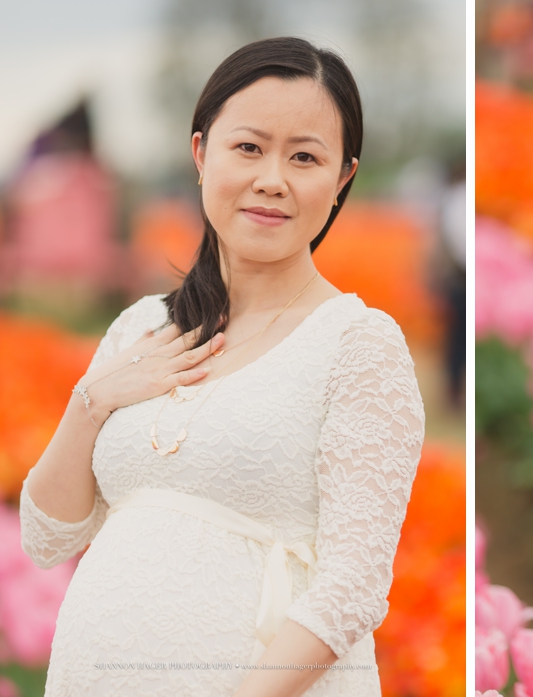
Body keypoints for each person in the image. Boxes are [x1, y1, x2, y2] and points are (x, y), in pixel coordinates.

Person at [18, 37, 425, 697]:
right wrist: (90, 401)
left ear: (342, 178)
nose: (273, 178)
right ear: (201, 153)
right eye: (249, 147)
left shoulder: (358, 344)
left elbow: (352, 587)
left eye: (304, 157)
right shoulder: (141, 326)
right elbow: (45, 535)